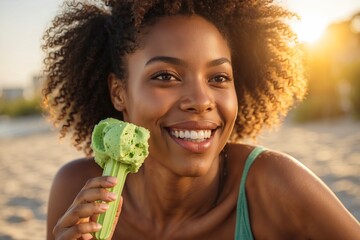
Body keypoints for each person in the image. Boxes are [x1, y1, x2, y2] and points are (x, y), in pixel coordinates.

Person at [42, 0, 360, 239]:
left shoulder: (275, 185)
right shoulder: (75, 191)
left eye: (219, 77)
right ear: (119, 92)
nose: (201, 101)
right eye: (165, 76)